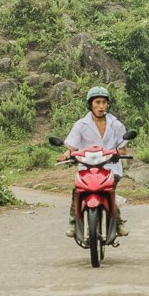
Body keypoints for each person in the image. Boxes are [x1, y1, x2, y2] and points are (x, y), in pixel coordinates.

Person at [61, 86, 130, 238]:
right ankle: (73, 223)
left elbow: (123, 149)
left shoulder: (116, 125)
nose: (101, 106)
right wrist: (65, 155)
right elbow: (71, 147)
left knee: (110, 191)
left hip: (110, 167)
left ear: (108, 104)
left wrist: (118, 154)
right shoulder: (80, 124)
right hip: (87, 167)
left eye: (104, 102)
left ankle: (118, 223)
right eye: (97, 102)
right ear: (90, 104)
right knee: (77, 191)